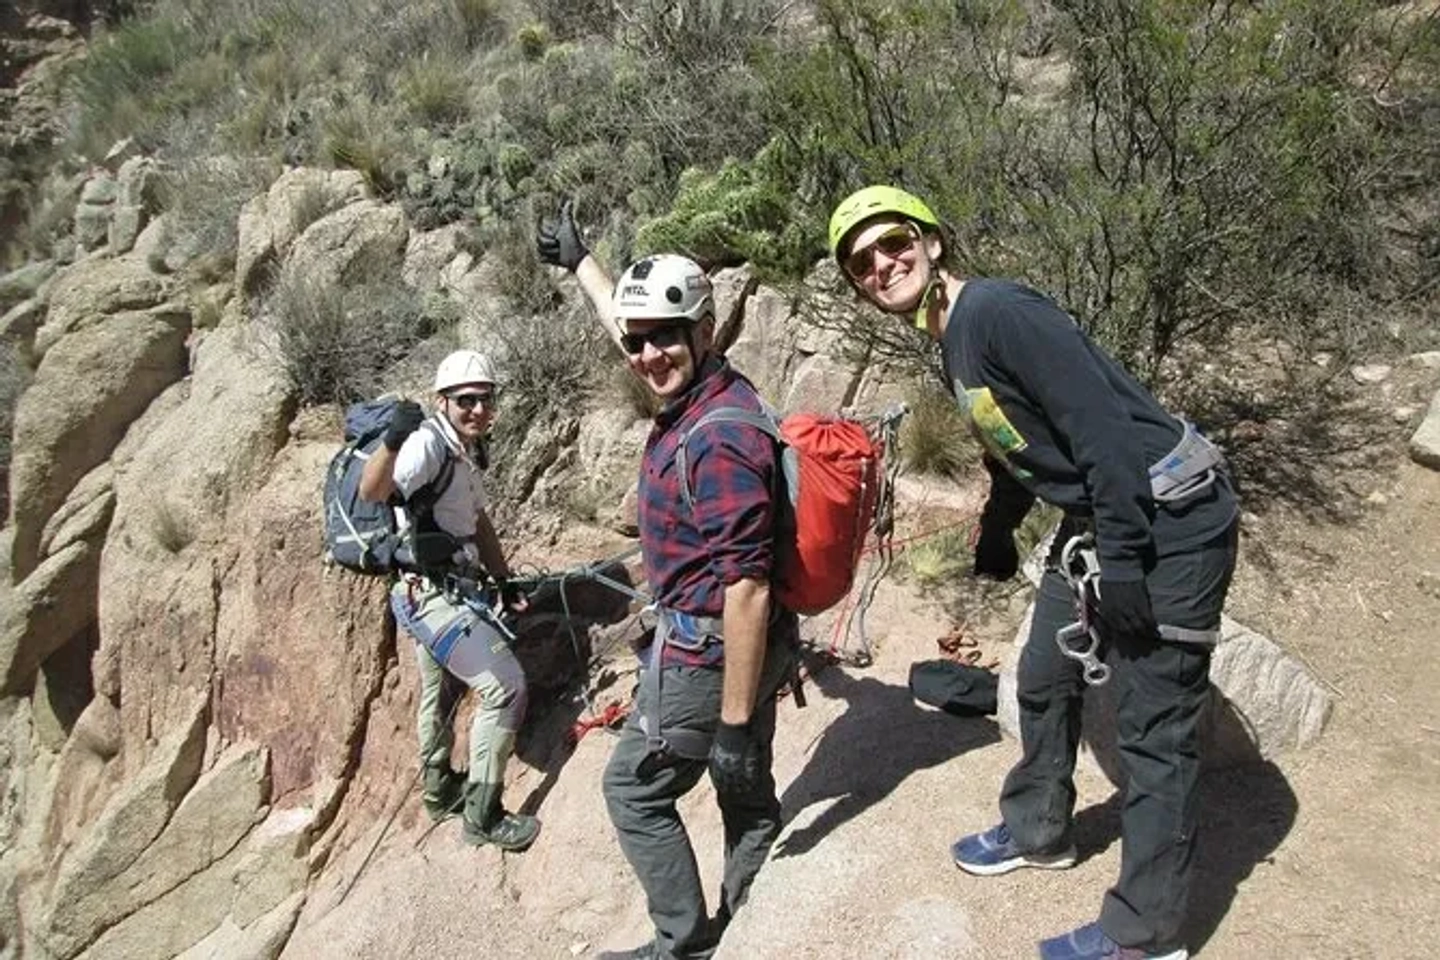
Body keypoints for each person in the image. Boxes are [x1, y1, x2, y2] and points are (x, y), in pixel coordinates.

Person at [827, 186, 1240, 960]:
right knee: (1044, 677)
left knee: (1154, 731)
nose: (883, 266)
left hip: (1169, 519)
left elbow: (1101, 430)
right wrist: (999, 525)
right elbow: (1014, 433)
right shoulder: (952, 334)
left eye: (893, 244)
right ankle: (1039, 828)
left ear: (932, 241)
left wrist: (1121, 559)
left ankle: (1145, 935)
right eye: (863, 264)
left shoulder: (1000, 313)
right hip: (1105, 519)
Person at [539, 205, 800, 960]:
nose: (648, 355)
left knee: (635, 791)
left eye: (665, 337)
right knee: (744, 794)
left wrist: (732, 722)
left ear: (706, 330)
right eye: (637, 340)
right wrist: (583, 264)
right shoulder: (708, 393)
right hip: (738, 646)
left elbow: (745, 590)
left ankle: (683, 943)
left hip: (709, 657)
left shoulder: (717, 441)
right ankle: (754, 925)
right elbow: (634, 324)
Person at [358, 349, 540, 852]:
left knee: (440, 694)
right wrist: (395, 439)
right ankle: (483, 815)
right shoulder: (425, 446)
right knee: (505, 687)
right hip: (430, 595)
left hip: (443, 588)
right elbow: (373, 492)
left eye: (485, 399)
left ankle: (440, 792)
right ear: (443, 401)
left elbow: (478, 522)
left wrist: (504, 581)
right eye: (467, 400)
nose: (479, 409)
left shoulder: (461, 448)